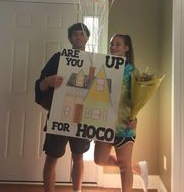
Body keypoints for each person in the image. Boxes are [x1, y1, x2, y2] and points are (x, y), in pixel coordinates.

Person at [35, 22, 91, 192]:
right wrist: (47, 81)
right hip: (59, 115)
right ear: (69, 38)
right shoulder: (58, 58)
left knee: (79, 156)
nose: (79, 36)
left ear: (87, 37)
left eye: (82, 33)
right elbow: (40, 85)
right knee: (52, 158)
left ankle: (77, 190)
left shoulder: (94, 61)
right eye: (75, 34)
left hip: (82, 118)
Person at [94, 34, 148, 192]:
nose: (113, 47)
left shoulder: (131, 71)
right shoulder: (103, 66)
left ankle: (131, 172)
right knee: (99, 159)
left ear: (126, 48)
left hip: (124, 125)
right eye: (111, 44)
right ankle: (137, 168)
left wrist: (134, 118)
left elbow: (137, 99)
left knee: (124, 167)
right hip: (104, 124)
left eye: (118, 44)